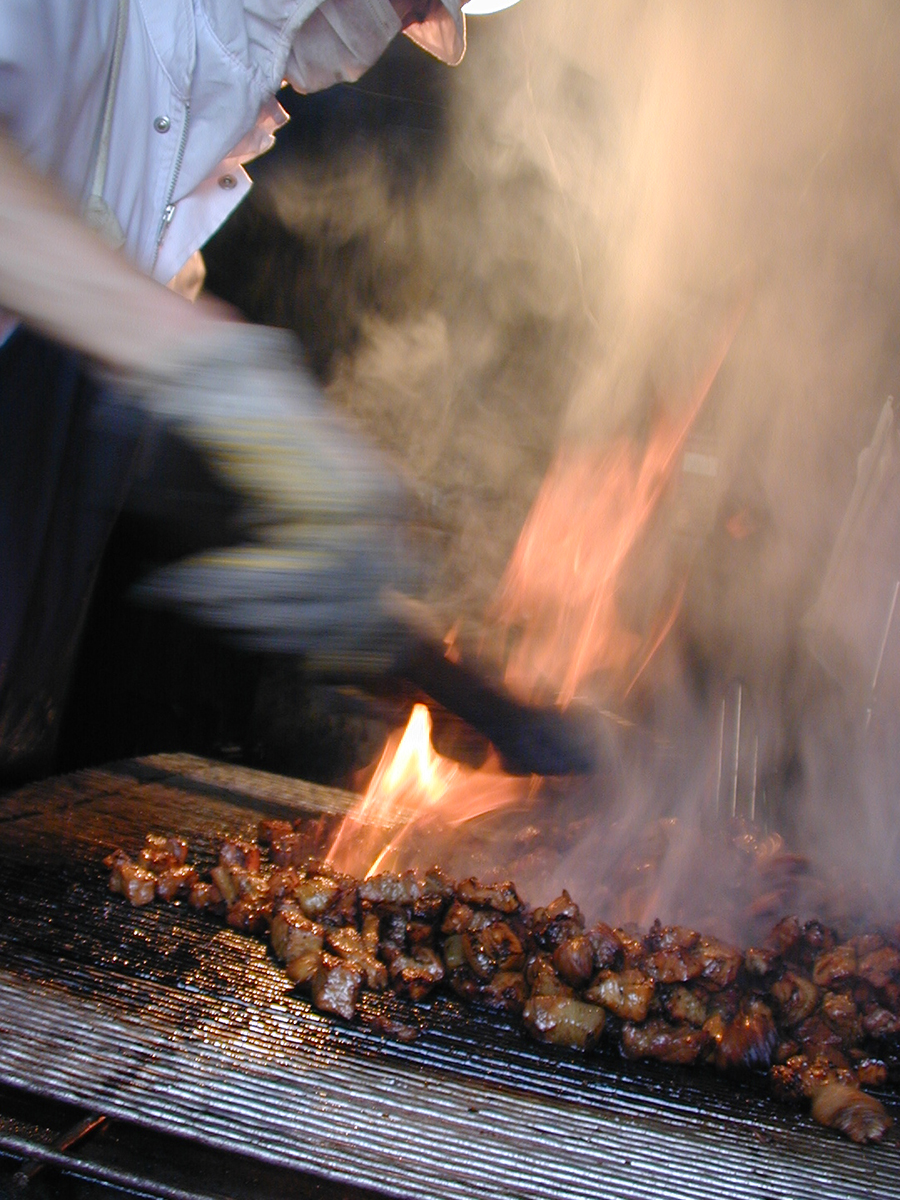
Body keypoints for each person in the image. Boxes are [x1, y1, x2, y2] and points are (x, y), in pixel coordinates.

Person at [0, 0, 472, 785]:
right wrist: (209, 373)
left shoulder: (205, 81)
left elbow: (116, 307)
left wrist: (271, 495)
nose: (417, 13)